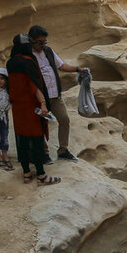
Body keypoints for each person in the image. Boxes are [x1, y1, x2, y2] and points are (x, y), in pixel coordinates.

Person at [6, 35, 60, 185]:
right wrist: (43, 104)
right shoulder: (28, 62)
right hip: (31, 107)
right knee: (36, 140)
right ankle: (42, 176)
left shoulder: (10, 63)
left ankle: (27, 173)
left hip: (18, 109)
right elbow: (34, 85)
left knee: (22, 140)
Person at [27, 25, 84, 163]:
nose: (43, 45)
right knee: (40, 125)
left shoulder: (48, 51)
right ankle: (43, 153)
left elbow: (61, 66)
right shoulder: (27, 56)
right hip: (40, 98)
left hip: (55, 95)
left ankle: (63, 150)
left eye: (45, 42)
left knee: (64, 119)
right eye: (40, 42)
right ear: (32, 40)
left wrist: (77, 69)